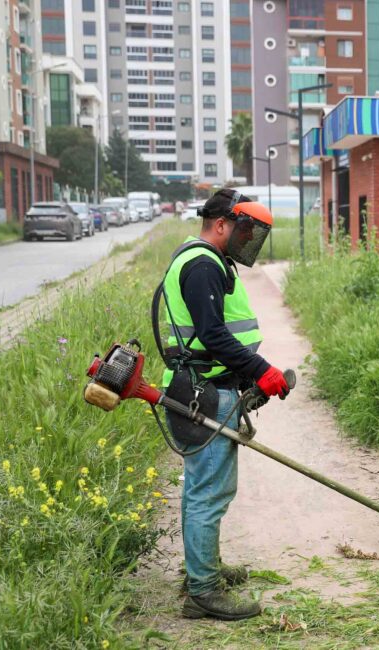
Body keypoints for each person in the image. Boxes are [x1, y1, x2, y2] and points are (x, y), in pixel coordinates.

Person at [158, 188, 291, 621]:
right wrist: (261, 370)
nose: (247, 240)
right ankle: (203, 591)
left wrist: (247, 376)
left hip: (207, 388)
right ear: (221, 224)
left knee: (204, 487)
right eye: (244, 230)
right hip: (203, 394)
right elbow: (213, 336)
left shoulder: (205, 260)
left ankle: (204, 568)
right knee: (209, 492)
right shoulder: (202, 265)